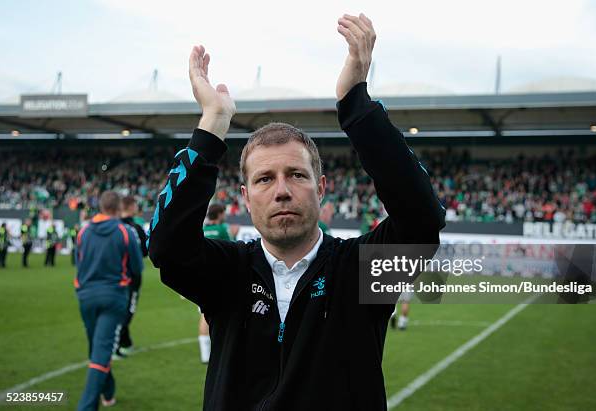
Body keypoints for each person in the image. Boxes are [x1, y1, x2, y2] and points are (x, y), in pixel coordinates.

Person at [148, 13, 444, 410]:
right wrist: (213, 123)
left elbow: (422, 217)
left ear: (321, 188)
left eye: (297, 175)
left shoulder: (360, 272)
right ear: (245, 197)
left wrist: (355, 101)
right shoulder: (226, 273)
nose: (282, 191)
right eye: (265, 179)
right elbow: (165, 246)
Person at [74, 191, 143, 410]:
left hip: (86, 295)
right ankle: (86, 406)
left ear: (102, 207)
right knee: (101, 350)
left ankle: (108, 391)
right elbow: (136, 268)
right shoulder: (124, 231)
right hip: (113, 296)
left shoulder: (83, 232)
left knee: (96, 347)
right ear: (118, 207)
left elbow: (79, 262)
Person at [198, 203, 239, 363]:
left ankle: (205, 354)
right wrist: (234, 234)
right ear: (220, 214)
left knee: (204, 314)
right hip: (221, 276)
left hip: (202, 275)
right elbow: (233, 247)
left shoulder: (204, 230)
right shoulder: (223, 229)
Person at [116, 195, 148, 357]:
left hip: (113, 276)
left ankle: (125, 342)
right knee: (127, 310)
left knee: (118, 308)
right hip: (131, 276)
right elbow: (143, 252)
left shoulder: (112, 226)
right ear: (130, 206)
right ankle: (117, 345)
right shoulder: (135, 228)